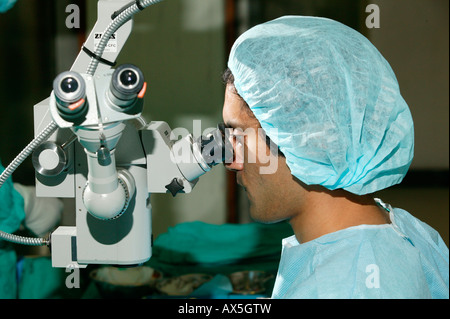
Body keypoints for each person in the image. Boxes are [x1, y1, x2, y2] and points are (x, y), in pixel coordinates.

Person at [222, 15, 449, 298]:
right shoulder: (405, 230)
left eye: (241, 135)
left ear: (306, 138)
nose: (231, 162)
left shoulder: (345, 288)